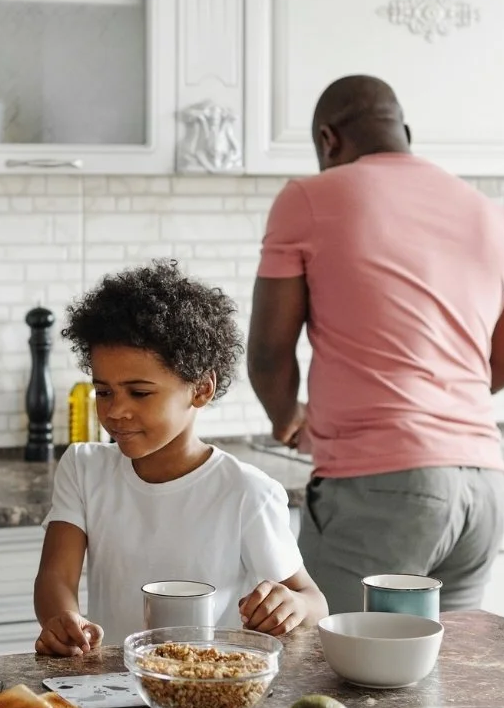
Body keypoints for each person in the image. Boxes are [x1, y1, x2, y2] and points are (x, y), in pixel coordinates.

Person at [248, 75, 504, 613]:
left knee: (327, 667)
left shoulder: (309, 198)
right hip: (483, 488)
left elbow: (268, 351)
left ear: (328, 140)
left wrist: (287, 417)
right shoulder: (493, 215)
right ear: (403, 130)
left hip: (379, 484)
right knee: (445, 674)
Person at [32, 262, 328, 655]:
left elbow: (312, 599)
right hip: (113, 683)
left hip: (209, 687)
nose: (116, 411)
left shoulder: (246, 492)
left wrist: (292, 605)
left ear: (201, 390)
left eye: (139, 393)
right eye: (104, 392)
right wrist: (62, 619)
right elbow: (55, 577)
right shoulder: (84, 468)